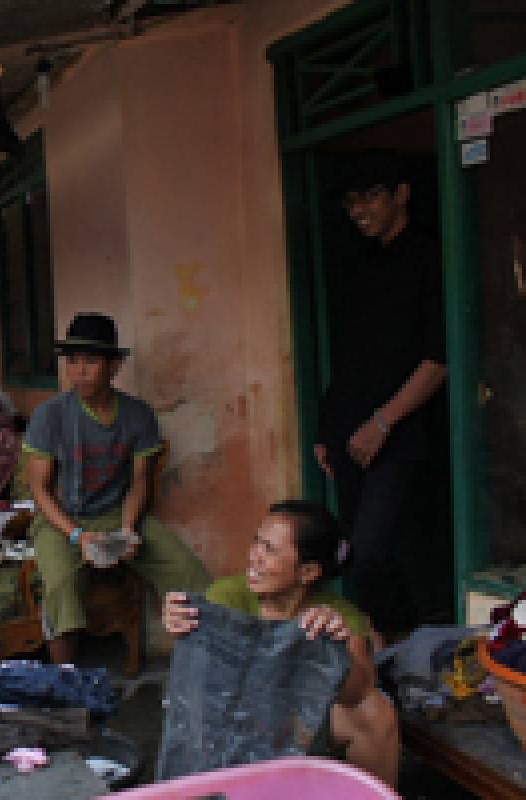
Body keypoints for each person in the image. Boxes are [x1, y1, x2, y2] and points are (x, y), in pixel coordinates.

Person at [163, 501, 400, 788]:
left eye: (270, 550)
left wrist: (335, 647)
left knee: (376, 713)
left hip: (303, 724)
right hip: (235, 718)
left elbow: (359, 692)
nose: (254, 557)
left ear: (308, 572)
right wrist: (180, 624)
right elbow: (203, 687)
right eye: (257, 542)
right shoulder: (227, 597)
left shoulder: (336, 615)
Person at [24, 313, 209, 665]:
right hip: (62, 520)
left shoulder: (138, 415)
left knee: (189, 574)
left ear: (115, 366)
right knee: (60, 588)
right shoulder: (49, 416)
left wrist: (126, 530)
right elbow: (40, 490)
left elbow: (139, 481)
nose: (79, 371)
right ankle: (65, 684)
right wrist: (78, 536)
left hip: (117, 515)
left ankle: (211, 671)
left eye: (91, 361)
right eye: (73, 361)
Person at [315, 156, 447, 643]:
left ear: (401, 194)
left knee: (370, 552)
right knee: (358, 553)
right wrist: (326, 430)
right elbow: (349, 357)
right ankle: (393, 649)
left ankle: (409, 638)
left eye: (369, 196)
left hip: (402, 431)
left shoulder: (430, 256)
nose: (358, 210)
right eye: (351, 202)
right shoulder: (361, 264)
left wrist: (384, 422)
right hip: (350, 432)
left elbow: (440, 357)